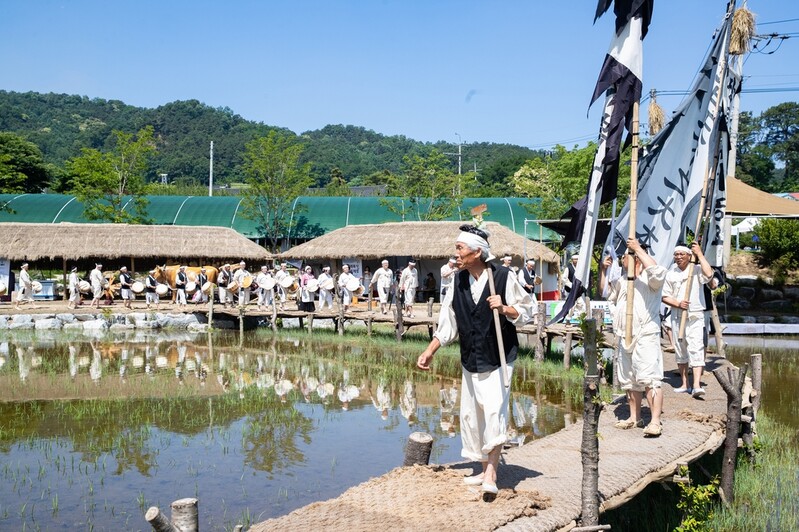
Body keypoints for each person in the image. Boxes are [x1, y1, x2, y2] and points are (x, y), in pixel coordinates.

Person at [417, 224, 534, 496]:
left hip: (498, 357)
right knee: (472, 416)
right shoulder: (457, 281)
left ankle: (492, 473)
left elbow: (528, 310)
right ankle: (482, 469)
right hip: (470, 357)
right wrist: (430, 350)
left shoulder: (503, 277)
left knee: (494, 412)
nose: (456, 254)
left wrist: (504, 308)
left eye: (460, 249)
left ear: (477, 252)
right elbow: (449, 322)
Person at [600, 238, 667, 437]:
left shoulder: (650, 279)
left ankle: (655, 421)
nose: (621, 259)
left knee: (649, 378)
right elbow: (605, 292)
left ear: (636, 258)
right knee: (629, 380)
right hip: (624, 335)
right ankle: (634, 417)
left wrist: (637, 248)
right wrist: (603, 271)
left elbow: (657, 271)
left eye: (625, 256)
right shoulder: (622, 280)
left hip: (645, 334)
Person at [662, 242, 716, 398]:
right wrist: (678, 303)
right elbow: (665, 296)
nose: (678, 257)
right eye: (676, 254)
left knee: (697, 347)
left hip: (695, 315)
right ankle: (685, 384)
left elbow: (709, 276)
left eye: (682, 254)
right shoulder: (670, 273)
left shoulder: (696, 269)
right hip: (678, 316)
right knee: (680, 349)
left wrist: (699, 254)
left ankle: (697, 384)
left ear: (688, 256)